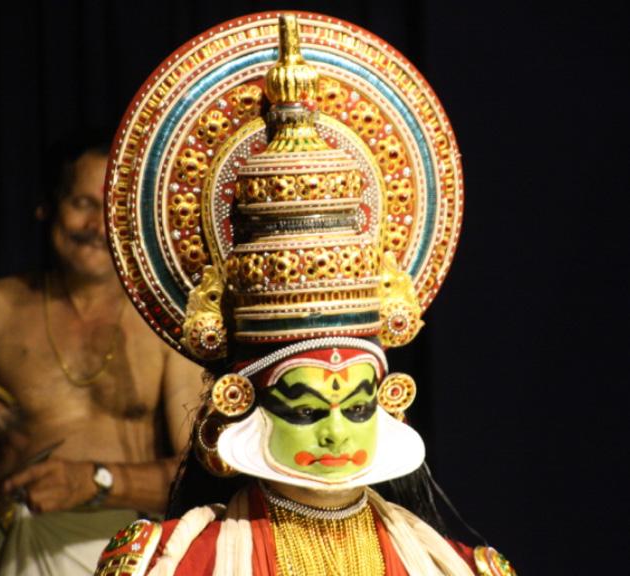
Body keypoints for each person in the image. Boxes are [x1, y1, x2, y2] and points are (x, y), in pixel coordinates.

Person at [94, 14, 517, 576]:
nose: (336, 433)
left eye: (358, 406)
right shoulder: (169, 563)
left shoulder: (457, 568)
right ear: (242, 401)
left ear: (389, 402)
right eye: (307, 408)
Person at [0, 133, 206, 575]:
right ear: (46, 206)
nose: (98, 227)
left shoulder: (163, 320)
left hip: (127, 554)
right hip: (19, 549)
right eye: (83, 204)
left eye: (112, 209)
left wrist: (97, 482)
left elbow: (201, 477)